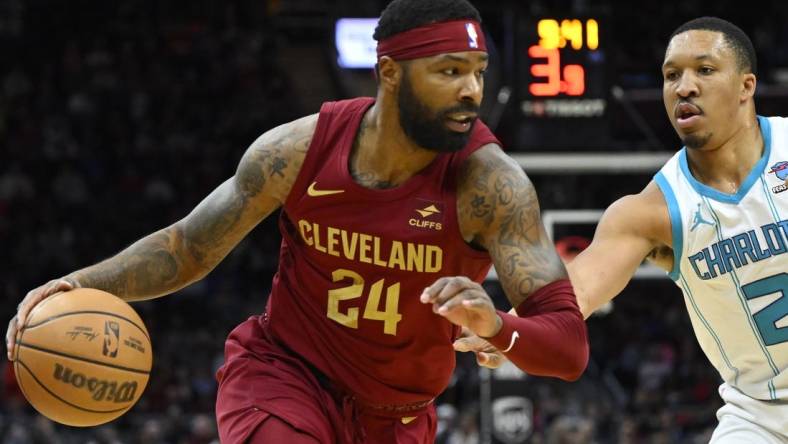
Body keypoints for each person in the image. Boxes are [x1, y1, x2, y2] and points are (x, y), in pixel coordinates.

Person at [6, 0, 589, 442]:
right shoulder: (297, 151)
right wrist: (80, 284)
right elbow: (188, 247)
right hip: (284, 376)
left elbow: (568, 347)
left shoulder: (491, 184)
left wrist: (496, 327)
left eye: (479, 71)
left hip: (399, 414)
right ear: (389, 73)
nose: (472, 91)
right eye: (449, 71)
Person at [457, 16, 788, 443]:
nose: (684, 86)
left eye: (704, 70)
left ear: (746, 86)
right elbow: (573, 296)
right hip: (760, 416)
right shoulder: (649, 212)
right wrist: (502, 327)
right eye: (672, 75)